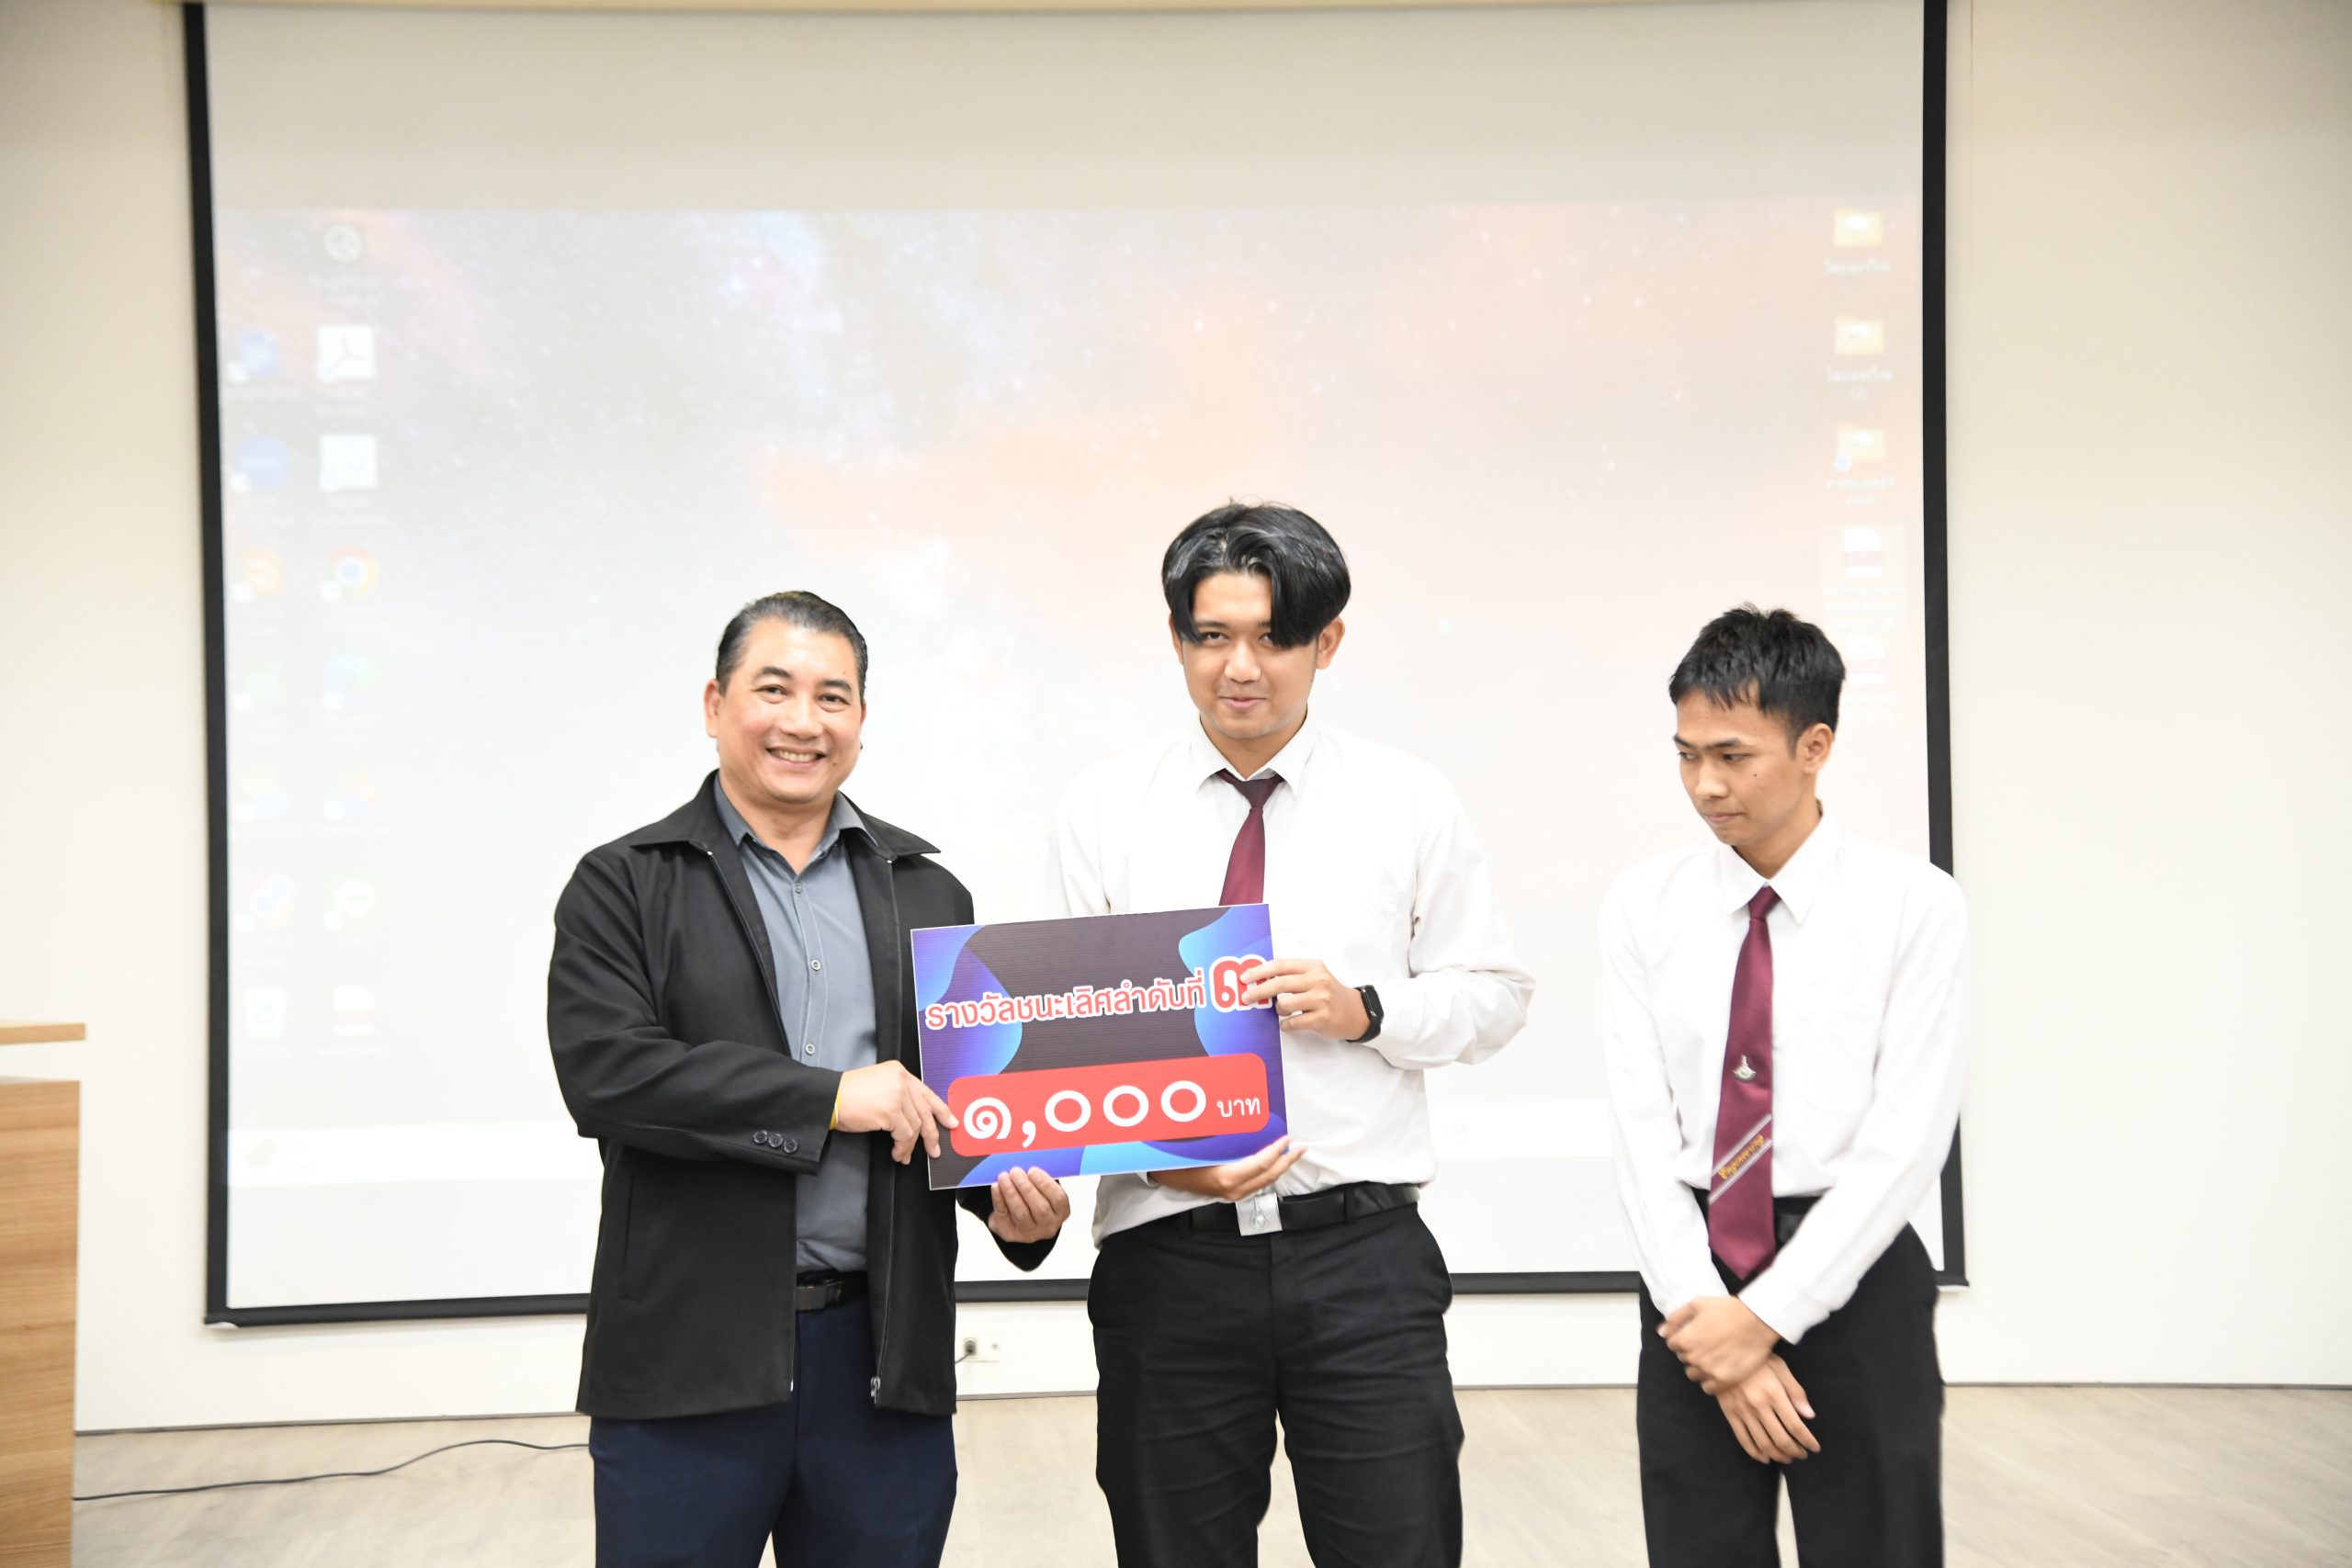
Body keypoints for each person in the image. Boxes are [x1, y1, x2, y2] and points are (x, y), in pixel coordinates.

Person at [1035, 502, 1534, 1568]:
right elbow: (1061, 1043)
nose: (1240, 667)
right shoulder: (1101, 808)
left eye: (1273, 637)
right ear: (1176, 638)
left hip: (1360, 1259)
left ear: (1327, 641)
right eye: (1212, 635)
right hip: (1168, 1259)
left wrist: (1369, 1011)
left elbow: (1494, 996)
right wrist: (1167, 1161)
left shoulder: (1406, 798)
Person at [547, 591, 1071, 1568]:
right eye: (773, 689)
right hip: (689, 1361)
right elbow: (608, 1072)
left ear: (862, 720)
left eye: (833, 697)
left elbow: (953, 1105)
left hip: (882, 1365)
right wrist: (829, 1098)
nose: (803, 720)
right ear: (715, 704)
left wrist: (1012, 1207)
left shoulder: (928, 890)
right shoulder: (625, 882)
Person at [1601, 604, 1970, 1567]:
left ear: (1815, 746)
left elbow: (1906, 1142)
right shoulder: (1643, 904)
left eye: (1733, 756)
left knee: (1876, 1546)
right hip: (1691, 1280)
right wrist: (1710, 1324)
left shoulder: (1914, 905)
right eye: (1687, 756)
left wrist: (1765, 1318)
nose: (1705, 785)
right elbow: (1640, 1133)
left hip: (1856, 1274)